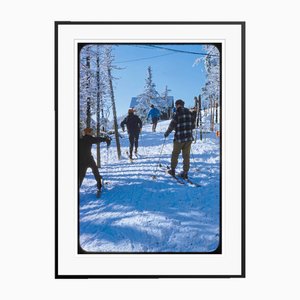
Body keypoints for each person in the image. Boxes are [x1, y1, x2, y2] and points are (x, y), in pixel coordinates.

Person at [164, 99, 194, 179]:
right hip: (188, 138)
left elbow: (171, 126)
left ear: (177, 105)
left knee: (175, 154)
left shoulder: (177, 114)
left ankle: (173, 170)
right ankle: (185, 172)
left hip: (179, 138)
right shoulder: (190, 113)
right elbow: (193, 125)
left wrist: (167, 133)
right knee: (186, 155)